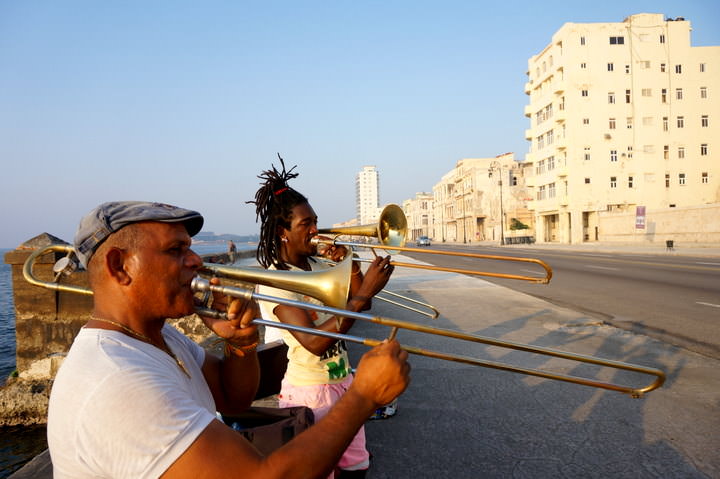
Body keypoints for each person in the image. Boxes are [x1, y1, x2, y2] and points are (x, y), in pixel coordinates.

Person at [47, 200, 410, 479]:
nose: (195, 261)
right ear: (119, 266)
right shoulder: (116, 379)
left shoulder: (160, 338)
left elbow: (232, 398)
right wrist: (364, 396)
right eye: (175, 251)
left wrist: (241, 344)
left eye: (190, 247)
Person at [248, 159, 395, 478]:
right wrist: (362, 294)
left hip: (344, 384)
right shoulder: (277, 282)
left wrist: (350, 262)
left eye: (315, 221)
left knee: (357, 469)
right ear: (282, 232)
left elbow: (361, 305)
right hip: (309, 394)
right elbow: (314, 342)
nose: (316, 230)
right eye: (306, 224)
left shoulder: (317, 266)